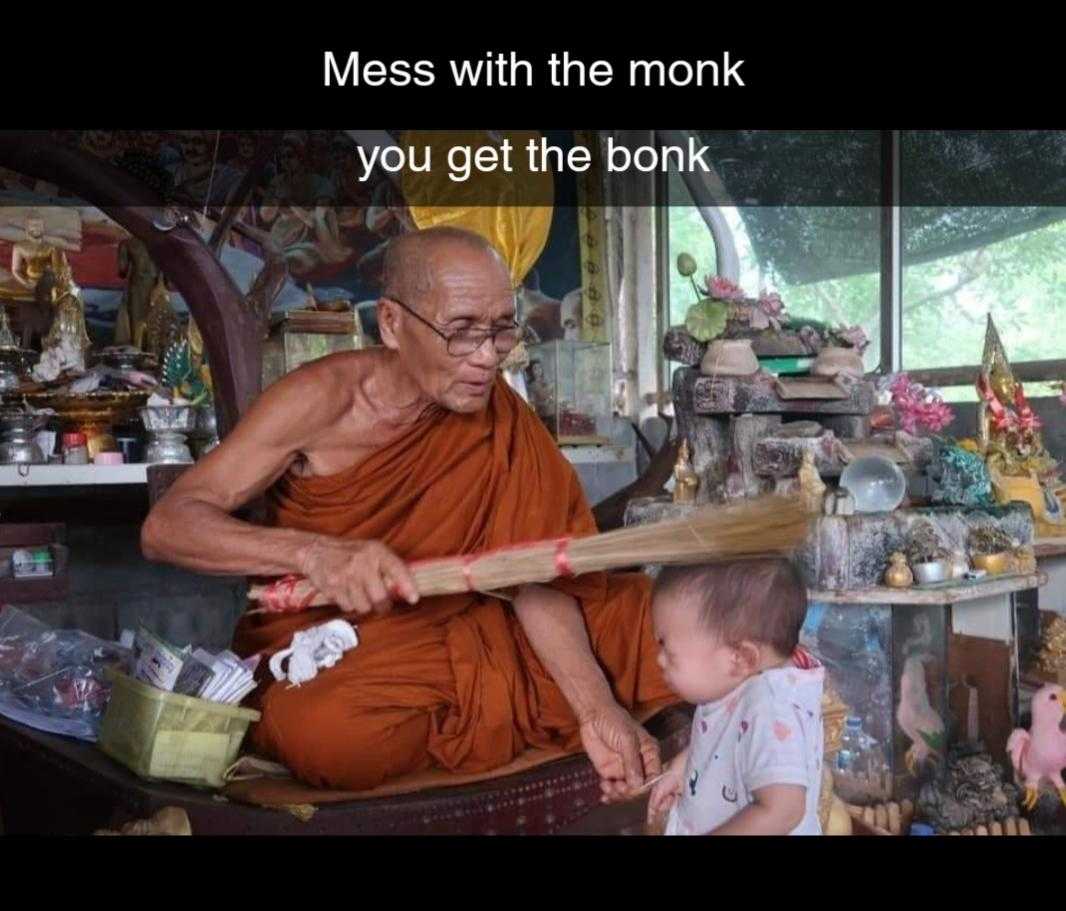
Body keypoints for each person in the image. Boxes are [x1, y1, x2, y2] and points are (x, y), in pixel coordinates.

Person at [141, 226, 677, 792]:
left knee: (668, 626)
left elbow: (534, 575)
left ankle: (526, 705)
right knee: (324, 731)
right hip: (355, 643)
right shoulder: (320, 401)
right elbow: (168, 525)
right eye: (461, 332)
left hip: (491, 616)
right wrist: (314, 554)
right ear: (393, 324)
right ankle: (503, 708)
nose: (486, 357)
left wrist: (597, 711)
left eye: (500, 330)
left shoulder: (500, 415)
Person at [634, 558, 825, 835]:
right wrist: (681, 768)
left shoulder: (770, 709)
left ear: (740, 658)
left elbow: (783, 810)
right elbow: (726, 742)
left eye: (668, 649)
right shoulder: (737, 687)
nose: (660, 660)